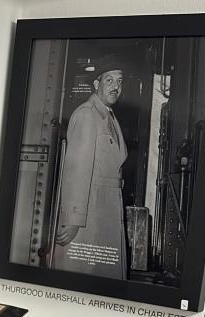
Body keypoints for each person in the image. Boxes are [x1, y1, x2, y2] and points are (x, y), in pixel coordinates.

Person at [53, 57, 128, 279]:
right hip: (90, 216)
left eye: (120, 81)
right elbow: (77, 169)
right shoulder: (87, 115)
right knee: (83, 278)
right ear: (96, 84)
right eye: (109, 80)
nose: (116, 86)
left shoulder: (109, 117)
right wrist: (74, 219)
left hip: (105, 210)